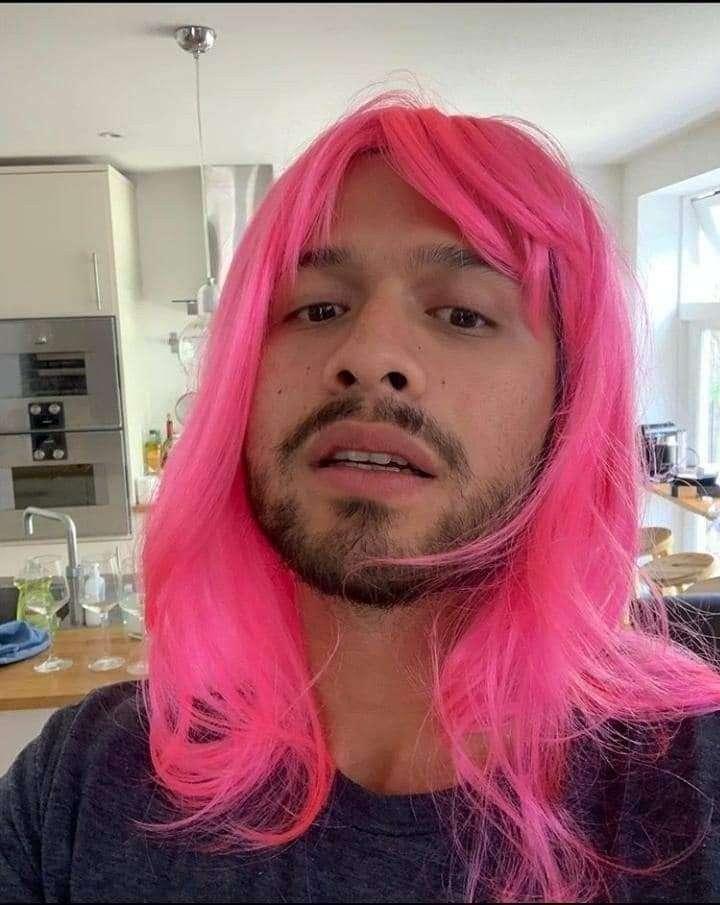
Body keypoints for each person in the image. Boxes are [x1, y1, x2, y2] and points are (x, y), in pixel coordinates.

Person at [2, 90, 720, 905]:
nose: (370, 353)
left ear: (570, 399)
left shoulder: (695, 788)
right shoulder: (79, 784)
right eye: (317, 307)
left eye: (463, 314)